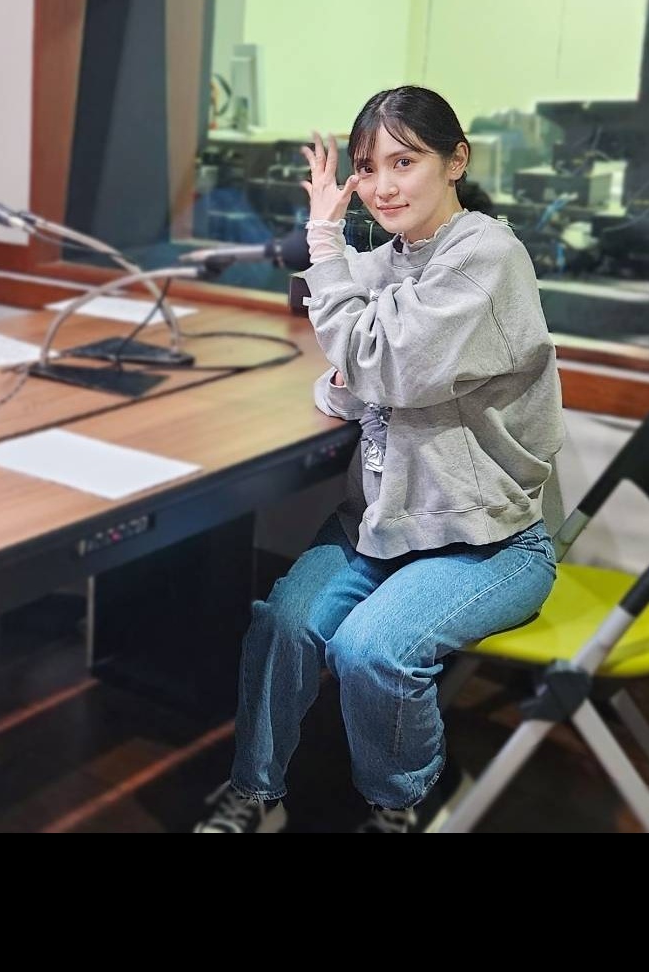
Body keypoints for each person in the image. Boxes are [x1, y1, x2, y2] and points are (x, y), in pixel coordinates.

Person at [193, 86, 563, 834]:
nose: (382, 186)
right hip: (383, 526)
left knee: (371, 650)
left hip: (487, 540)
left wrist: (326, 247)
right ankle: (257, 792)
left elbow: (374, 362)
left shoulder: (484, 257)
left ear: (455, 161)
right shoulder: (395, 260)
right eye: (367, 168)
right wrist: (346, 373)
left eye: (404, 161)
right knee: (283, 625)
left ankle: (402, 803)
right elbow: (344, 365)